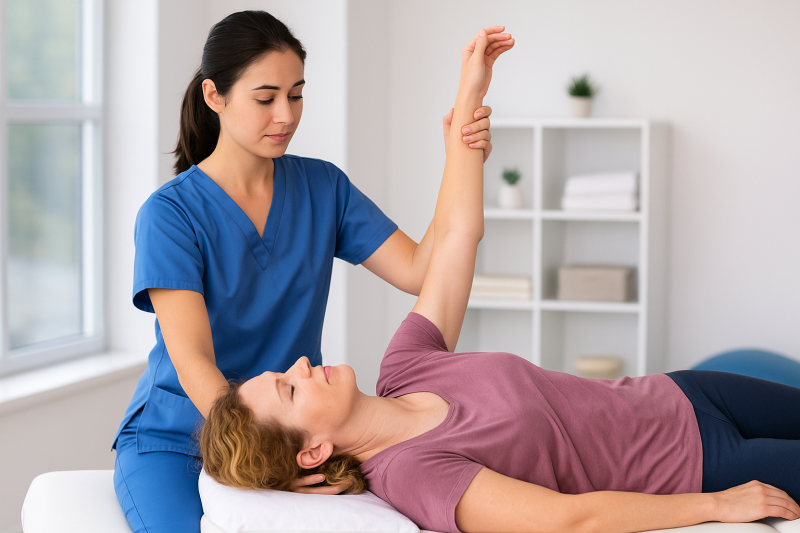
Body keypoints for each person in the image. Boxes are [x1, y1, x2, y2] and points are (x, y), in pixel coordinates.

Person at [200, 25, 800, 533]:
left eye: (283, 373)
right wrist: (719, 505)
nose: (301, 365)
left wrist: (469, 99)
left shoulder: (405, 366)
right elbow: (571, 518)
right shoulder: (414, 475)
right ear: (314, 451)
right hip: (698, 464)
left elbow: (457, 242)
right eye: (290, 389)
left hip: (680, 394)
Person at [111, 10, 507, 533]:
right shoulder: (170, 215)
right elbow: (193, 363)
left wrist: (460, 152)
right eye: (265, 97)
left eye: (296, 95)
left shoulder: (323, 188)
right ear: (215, 96)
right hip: (177, 439)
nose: (286, 115)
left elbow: (420, 269)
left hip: (294, 437)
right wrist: (262, 457)